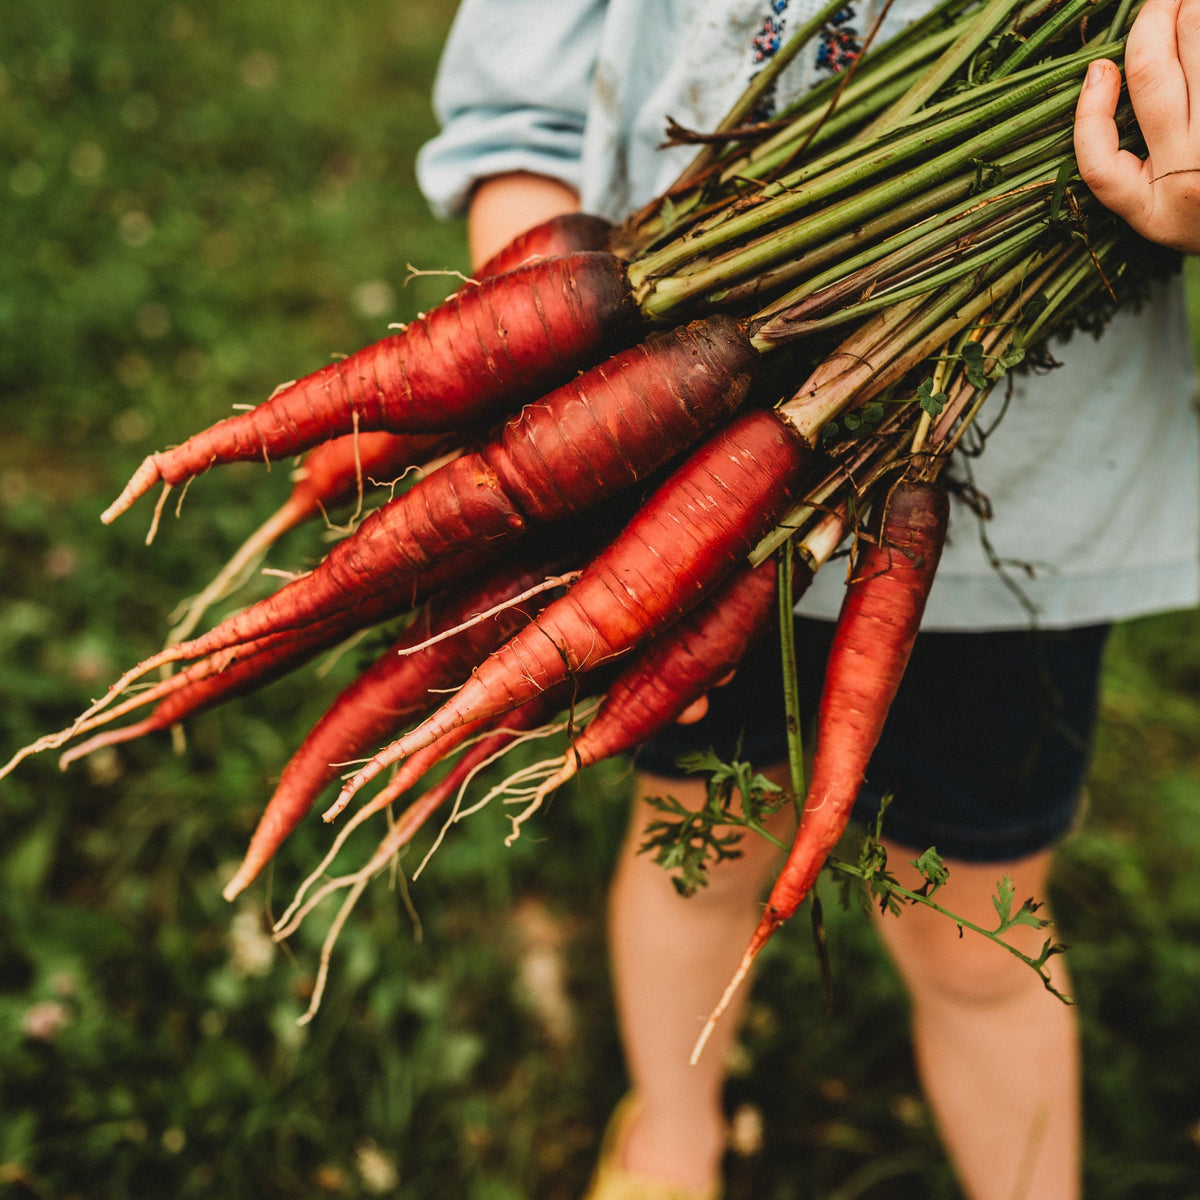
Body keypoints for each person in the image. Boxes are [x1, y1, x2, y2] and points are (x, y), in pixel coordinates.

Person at [416, 1, 1200, 1197]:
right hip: (668, 461)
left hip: (1010, 535)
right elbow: (520, 90)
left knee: (978, 931)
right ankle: (674, 1132)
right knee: (698, 847)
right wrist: (549, 371)